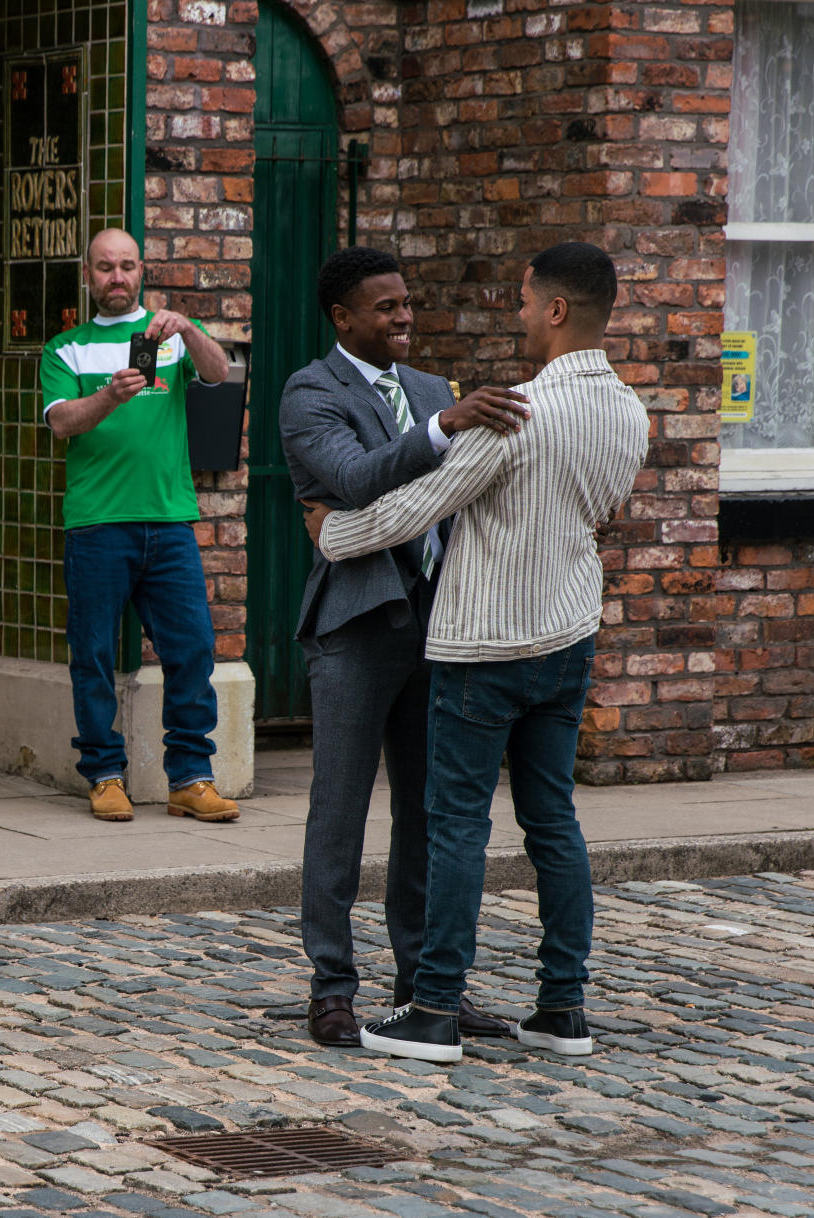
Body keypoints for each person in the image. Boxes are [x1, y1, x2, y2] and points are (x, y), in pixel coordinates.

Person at [305, 241, 648, 1062]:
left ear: (557, 310)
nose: (519, 315)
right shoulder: (631, 412)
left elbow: (411, 511)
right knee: (553, 825)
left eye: (526, 302)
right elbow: (602, 510)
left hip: (485, 645)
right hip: (568, 639)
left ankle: (432, 1010)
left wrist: (329, 530)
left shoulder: (517, 413)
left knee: (454, 825)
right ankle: (562, 1010)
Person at [279, 246, 531, 1047]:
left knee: (429, 814)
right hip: (356, 629)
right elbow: (354, 479)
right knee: (340, 814)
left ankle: (428, 991)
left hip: (440, 627)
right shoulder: (309, 392)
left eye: (407, 304)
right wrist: (440, 428)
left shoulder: (430, 388)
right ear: (343, 317)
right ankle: (332, 989)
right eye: (385, 307)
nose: (404, 317)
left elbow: (446, 495)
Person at [40, 227, 240, 825]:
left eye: (127, 266)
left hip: (170, 519)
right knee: (94, 655)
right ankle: (104, 774)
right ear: (88, 274)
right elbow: (61, 424)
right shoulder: (65, 349)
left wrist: (189, 330)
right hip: (97, 524)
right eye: (105, 268)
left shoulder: (163, 336)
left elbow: (219, 374)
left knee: (192, 650)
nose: (117, 278)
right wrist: (110, 396)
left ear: (141, 271)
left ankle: (190, 779)